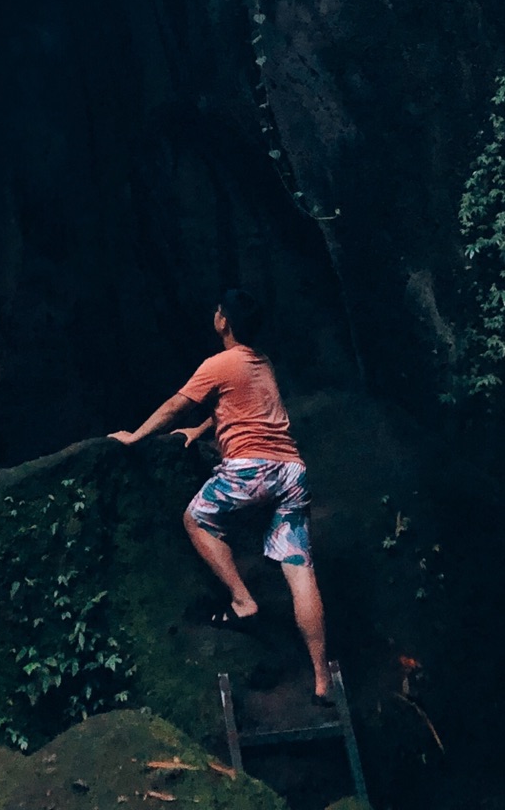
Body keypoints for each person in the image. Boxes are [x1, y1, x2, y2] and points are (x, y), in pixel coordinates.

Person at [108, 288, 332, 703]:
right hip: (292, 471)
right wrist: (200, 431)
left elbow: (178, 403)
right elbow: (234, 404)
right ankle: (322, 679)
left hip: (251, 468)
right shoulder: (260, 363)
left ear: (223, 321)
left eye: (217, 311)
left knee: (196, 519)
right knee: (300, 571)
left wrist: (135, 437)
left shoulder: (219, 364)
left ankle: (242, 600)